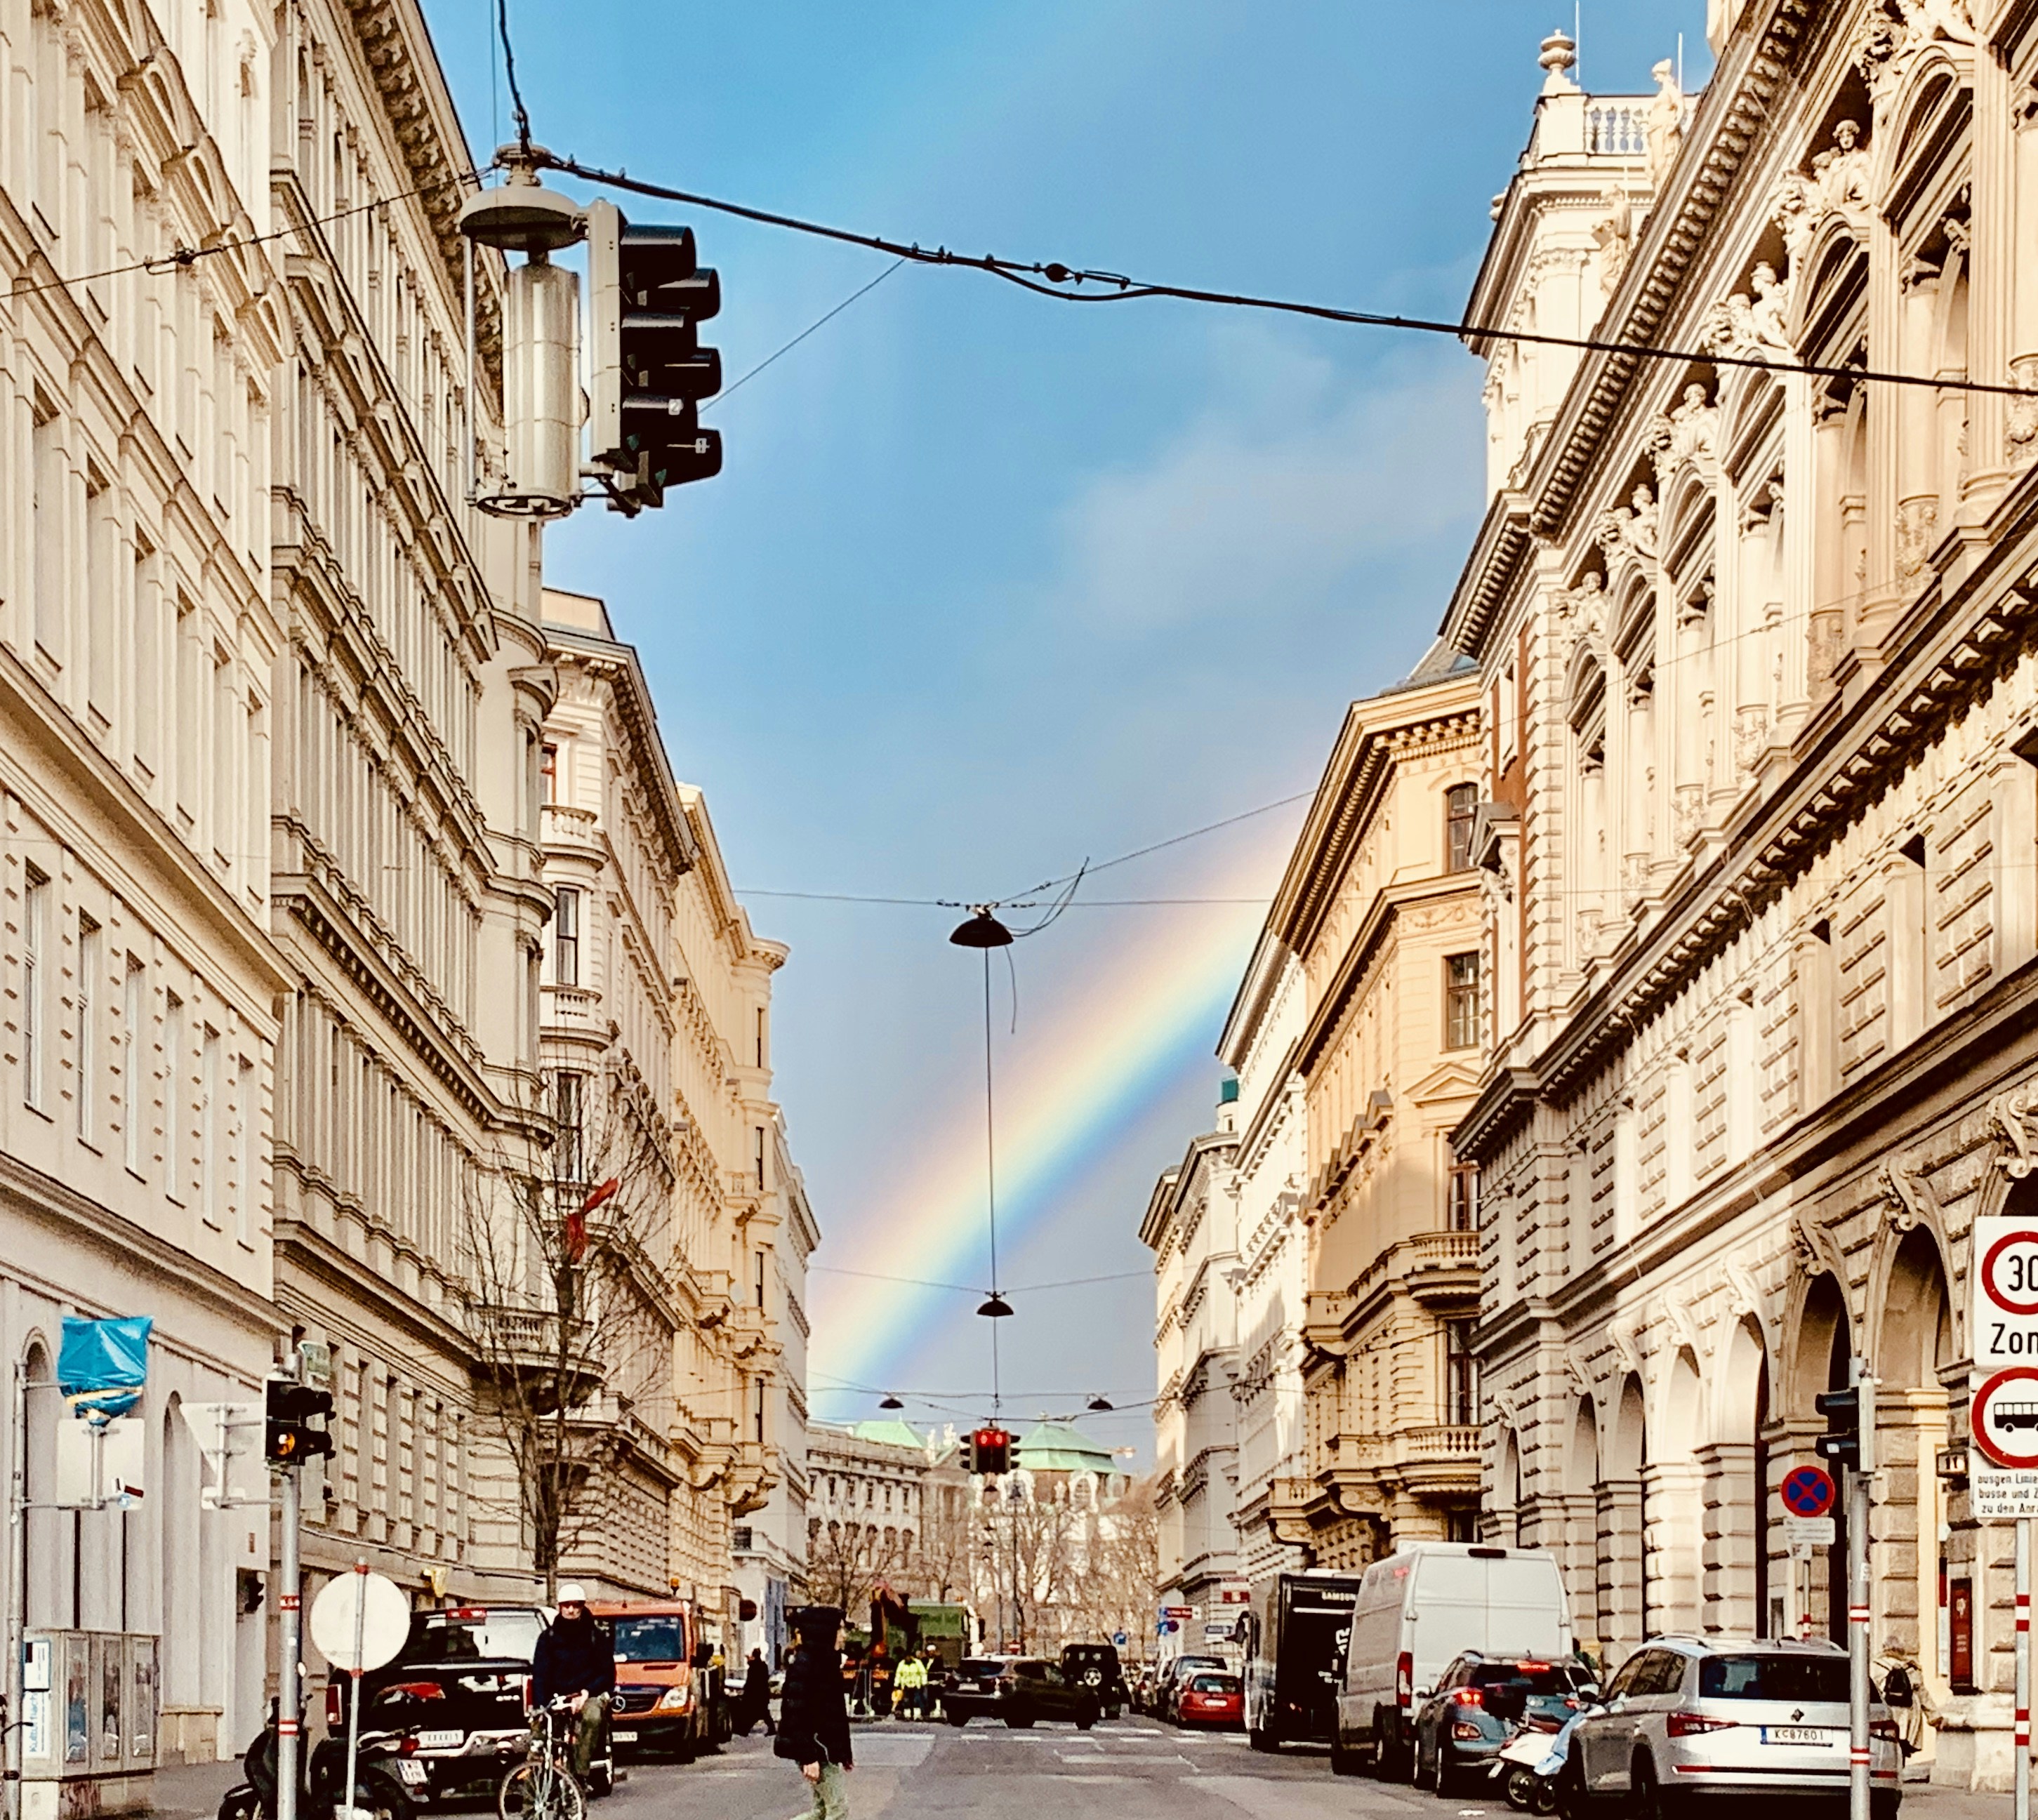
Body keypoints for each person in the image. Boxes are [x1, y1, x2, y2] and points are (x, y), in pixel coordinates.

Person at [531, 1583, 615, 1786]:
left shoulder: (596, 1636)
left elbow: (607, 1674)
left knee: (593, 1717)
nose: (571, 1610)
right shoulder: (548, 1638)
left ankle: (580, 1772)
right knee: (538, 1739)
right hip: (557, 1696)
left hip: (587, 1694)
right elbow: (540, 1674)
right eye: (566, 1605)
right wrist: (543, 1706)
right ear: (560, 1607)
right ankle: (532, 1796)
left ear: (582, 1607)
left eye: (576, 1605)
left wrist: (587, 1693)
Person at [776, 1606, 854, 1819]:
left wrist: (844, 1754)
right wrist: (808, 1756)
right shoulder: (806, 1665)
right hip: (818, 1750)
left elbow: (834, 1717)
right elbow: (795, 1714)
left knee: (821, 1812)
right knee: (838, 1810)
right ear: (825, 1632)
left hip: (825, 1750)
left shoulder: (825, 1664)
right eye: (839, 1629)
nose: (844, 1635)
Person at [737, 1648, 775, 1736]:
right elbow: (765, 1679)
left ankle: (745, 1730)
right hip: (762, 1694)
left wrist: (746, 1691)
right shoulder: (763, 1666)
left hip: (754, 1694)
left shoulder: (753, 1667)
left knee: (753, 1714)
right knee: (762, 1713)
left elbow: (750, 1682)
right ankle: (771, 1729)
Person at [892, 1648, 927, 1720]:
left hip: (916, 1685)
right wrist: (896, 1684)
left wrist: (924, 1683)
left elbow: (923, 1673)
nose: (908, 1658)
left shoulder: (918, 1663)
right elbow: (898, 1674)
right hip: (906, 1685)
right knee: (906, 1701)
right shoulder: (901, 1664)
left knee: (916, 1700)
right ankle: (907, 1715)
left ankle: (917, 1715)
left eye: (909, 1656)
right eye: (906, 1657)